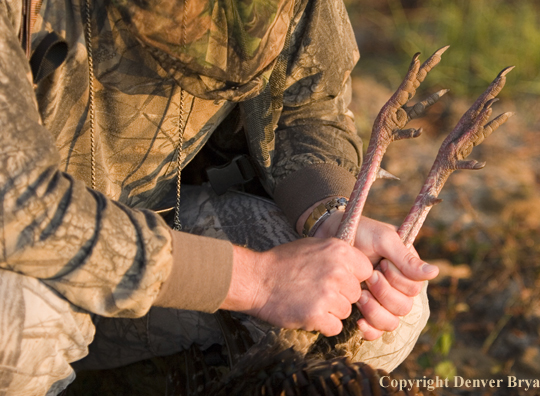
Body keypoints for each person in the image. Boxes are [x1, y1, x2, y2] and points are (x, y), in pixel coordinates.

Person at [0, 0, 438, 394]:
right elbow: (17, 202)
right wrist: (257, 280)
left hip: (162, 235)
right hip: (25, 260)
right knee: (17, 325)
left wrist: (329, 214)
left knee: (382, 312)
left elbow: (304, 106)